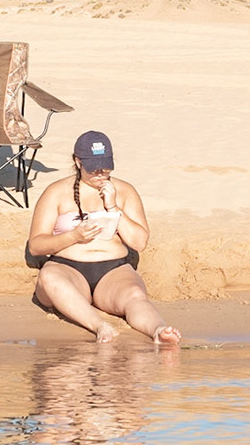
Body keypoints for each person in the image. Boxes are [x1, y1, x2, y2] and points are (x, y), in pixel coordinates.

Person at [28, 130, 181, 346]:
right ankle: (99, 325)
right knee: (49, 278)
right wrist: (74, 236)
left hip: (113, 270)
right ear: (78, 162)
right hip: (67, 267)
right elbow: (36, 246)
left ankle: (158, 330)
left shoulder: (125, 191)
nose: (100, 174)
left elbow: (139, 242)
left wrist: (113, 207)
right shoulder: (56, 192)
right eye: (93, 169)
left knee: (135, 294)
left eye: (105, 168)